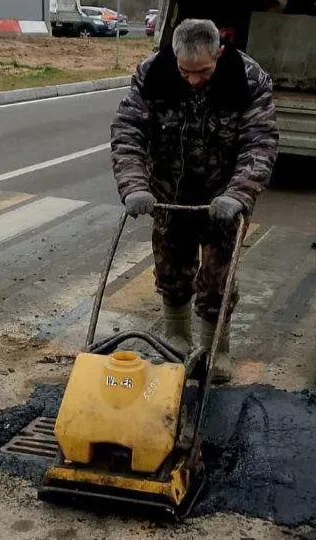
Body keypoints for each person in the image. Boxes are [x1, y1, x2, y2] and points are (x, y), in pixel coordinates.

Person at [109, 18, 279, 383]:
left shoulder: (249, 79)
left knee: (218, 276)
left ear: (219, 52)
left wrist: (238, 193)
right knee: (171, 269)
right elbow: (127, 132)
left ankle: (215, 350)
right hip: (170, 193)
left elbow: (260, 142)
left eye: (203, 71)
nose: (194, 80)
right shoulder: (152, 75)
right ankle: (177, 339)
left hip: (224, 195)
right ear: (174, 57)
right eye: (186, 72)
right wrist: (135, 186)